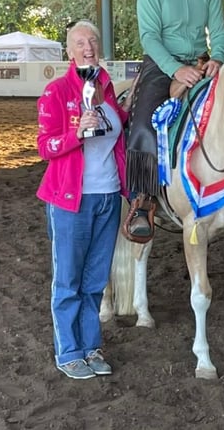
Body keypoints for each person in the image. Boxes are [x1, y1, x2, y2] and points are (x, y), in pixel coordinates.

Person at [125, 0, 224, 240]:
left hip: (201, 62)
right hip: (162, 64)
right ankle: (143, 200)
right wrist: (175, 69)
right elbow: (150, 38)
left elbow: (220, 32)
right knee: (143, 123)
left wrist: (218, 58)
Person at [36, 20, 129, 380]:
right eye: (80, 42)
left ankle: (91, 346)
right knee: (68, 280)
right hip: (69, 200)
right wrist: (75, 134)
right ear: (69, 51)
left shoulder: (105, 92)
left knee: (95, 280)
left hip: (107, 197)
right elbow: (45, 147)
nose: (88, 46)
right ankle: (69, 351)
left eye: (93, 40)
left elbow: (118, 138)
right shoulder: (56, 92)